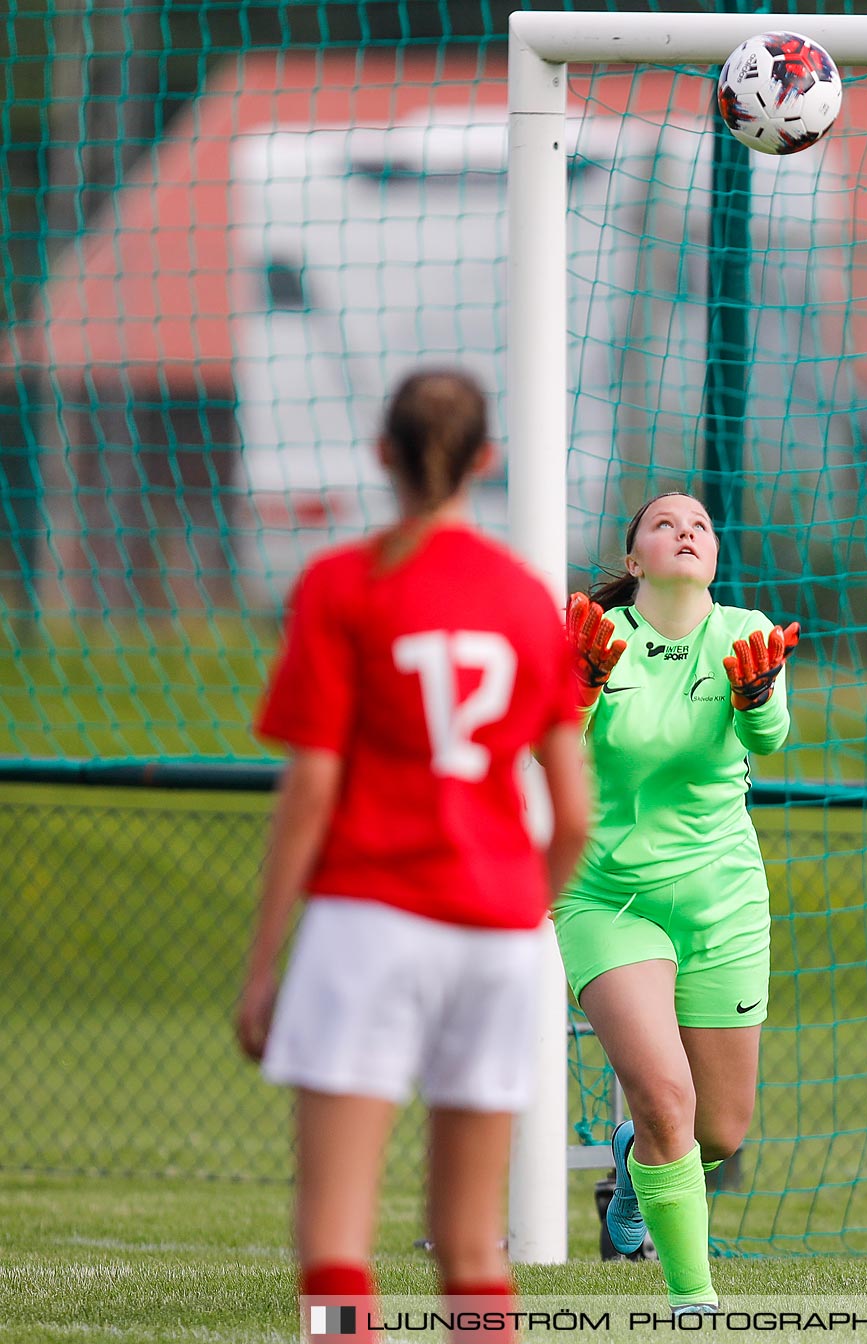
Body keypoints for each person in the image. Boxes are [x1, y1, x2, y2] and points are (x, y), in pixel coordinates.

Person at [234, 369, 591, 1342]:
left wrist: (265, 962)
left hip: (368, 925)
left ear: (381, 453)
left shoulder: (344, 585)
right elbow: (574, 813)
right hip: (497, 937)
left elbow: (311, 785)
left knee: (336, 1247)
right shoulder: (525, 604)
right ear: (487, 460)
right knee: (476, 1249)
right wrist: (524, 915)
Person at [558, 491, 799, 1314]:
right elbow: (551, 738)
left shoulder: (743, 633)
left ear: (715, 556)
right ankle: (692, 1301)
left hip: (722, 903)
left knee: (719, 1133)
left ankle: (634, 1165)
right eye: (663, 523)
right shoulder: (597, 636)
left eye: (698, 524)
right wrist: (581, 685)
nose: (684, 531)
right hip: (607, 900)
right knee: (667, 1100)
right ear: (635, 561)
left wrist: (759, 697)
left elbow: (768, 739)